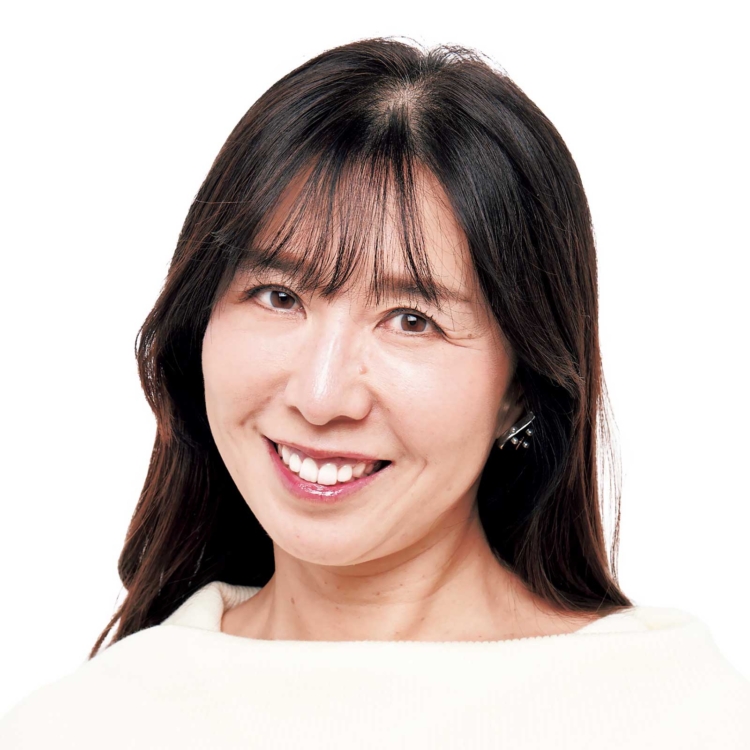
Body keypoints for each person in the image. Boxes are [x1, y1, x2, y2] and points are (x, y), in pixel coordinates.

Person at [1, 36, 748, 749]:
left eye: (412, 320)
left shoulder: (677, 719)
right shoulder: (82, 727)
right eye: (279, 295)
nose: (322, 396)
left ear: (521, 387)